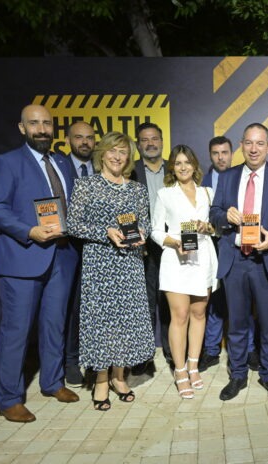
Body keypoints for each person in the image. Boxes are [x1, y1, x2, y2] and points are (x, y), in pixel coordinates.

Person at [0, 104, 80, 422]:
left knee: (54, 324)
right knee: (15, 331)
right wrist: (29, 231)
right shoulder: (6, 162)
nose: (42, 129)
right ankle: (8, 398)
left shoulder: (62, 163)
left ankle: (52, 382)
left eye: (47, 124)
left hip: (62, 256)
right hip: (23, 258)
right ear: (22, 127)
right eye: (35, 123)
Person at [210, 122, 268, 401]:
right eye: (248, 142)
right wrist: (225, 216)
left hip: (266, 259)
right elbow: (214, 212)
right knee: (237, 324)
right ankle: (237, 376)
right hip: (235, 260)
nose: (253, 149)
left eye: (260, 143)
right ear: (241, 145)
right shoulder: (228, 176)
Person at [66, 131, 155, 411]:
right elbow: (73, 224)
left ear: (129, 158)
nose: (117, 156)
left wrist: (142, 233)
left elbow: (146, 224)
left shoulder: (137, 189)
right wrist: (105, 232)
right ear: (102, 154)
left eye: (123, 152)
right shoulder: (86, 185)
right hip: (99, 265)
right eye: (113, 151)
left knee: (125, 324)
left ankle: (119, 376)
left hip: (129, 265)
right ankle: (101, 380)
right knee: (101, 324)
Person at [152, 145, 218, 399]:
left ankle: (193, 366)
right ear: (172, 167)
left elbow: (216, 228)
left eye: (187, 162)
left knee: (199, 313)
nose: (183, 167)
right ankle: (180, 371)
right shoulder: (165, 194)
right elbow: (155, 231)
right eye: (178, 163)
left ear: (194, 165)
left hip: (203, 258)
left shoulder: (207, 192)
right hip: (176, 259)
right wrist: (174, 242)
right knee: (179, 315)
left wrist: (208, 227)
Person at [199, 136, 259, 372]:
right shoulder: (200, 182)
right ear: (210, 155)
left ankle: (249, 349)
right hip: (209, 246)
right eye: (216, 153)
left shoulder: (242, 178)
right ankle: (211, 350)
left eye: (225, 152)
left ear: (232, 153)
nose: (221, 157)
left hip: (238, 245)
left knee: (244, 300)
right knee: (214, 301)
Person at [130, 122, 172, 373]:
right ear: (138, 145)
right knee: (143, 303)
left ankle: (171, 352)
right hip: (142, 247)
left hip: (170, 245)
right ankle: (143, 356)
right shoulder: (130, 170)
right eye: (145, 140)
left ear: (162, 141)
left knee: (169, 300)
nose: (150, 143)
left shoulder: (175, 169)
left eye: (154, 138)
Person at [63, 121, 96, 387]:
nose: (84, 142)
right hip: (68, 248)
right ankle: (71, 361)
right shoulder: (58, 166)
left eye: (89, 138)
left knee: (97, 308)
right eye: (78, 137)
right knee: (72, 308)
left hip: (100, 250)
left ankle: (96, 360)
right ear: (68, 140)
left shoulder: (103, 167)